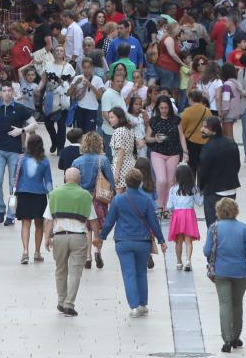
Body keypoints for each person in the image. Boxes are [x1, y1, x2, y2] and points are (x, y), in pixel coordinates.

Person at [98, 168, 167, 317]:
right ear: (140, 182)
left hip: (123, 241)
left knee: (129, 273)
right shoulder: (147, 200)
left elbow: (109, 222)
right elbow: (154, 222)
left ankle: (134, 306)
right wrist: (161, 240)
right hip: (143, 241)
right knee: (141, 272)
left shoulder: (118, 200)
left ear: (126, 182)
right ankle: (143, 304)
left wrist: (101, 237)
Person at [44, 167, 100, 317]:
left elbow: (48, 220)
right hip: (78, 237)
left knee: (60, 270)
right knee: (75, 272)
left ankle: (61, 302)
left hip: (59, 237)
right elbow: (93, 220)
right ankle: (69, 304)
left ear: (65, 178)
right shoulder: (86, 196)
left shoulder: (54, 194)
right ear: (79, 180)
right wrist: (97, 237)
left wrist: (46, 238)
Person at [0, 82, 38, 226]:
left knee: (14, 184)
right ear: (0, 93)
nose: (6, 93)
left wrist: (22, 130)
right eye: (4, 90)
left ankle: (11, 214)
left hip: (15, 151)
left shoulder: (20, 108)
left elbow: (34, 124)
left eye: (9, 90)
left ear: (13, 93)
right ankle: (1, 208)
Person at [204, 197, 246, 353]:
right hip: (241, 271)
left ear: (218, 211)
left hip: (221, 272)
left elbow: (207, 251)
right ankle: (235, 336)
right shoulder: (243, 228)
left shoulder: (214, 228)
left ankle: (226, 339)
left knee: (224, 304)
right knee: (237, 303)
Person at [72, 131, 115, 269]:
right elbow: (111, 180)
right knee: (98, 228)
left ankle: (88, 256)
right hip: (99, 199)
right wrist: (113, 194)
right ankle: (97, 251)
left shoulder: (77, 161)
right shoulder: (103, 160)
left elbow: (72, 181)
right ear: (98, 144)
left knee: (86, 228)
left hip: (83, 199)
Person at [146, 94, 188, 216]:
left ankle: (168, 207)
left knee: (170, 181)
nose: (164, 110)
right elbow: (147, 138)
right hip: (157, 152)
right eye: (161, 108)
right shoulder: (153, 121)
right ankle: (159, 206)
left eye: (166, 108)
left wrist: (185, 151)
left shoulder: (176, 120)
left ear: (169, 107)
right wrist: (155, 139)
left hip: (173, 153)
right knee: (161, 180)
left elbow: (181, 136)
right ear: (158, 108)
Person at [15, 134, 53, 265]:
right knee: (39, 225)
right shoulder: (45, 161)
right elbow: (48, 181)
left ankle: (25, 251)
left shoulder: (21, 159)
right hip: (39, 194)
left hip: (24, 192)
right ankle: (37, 252)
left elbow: (16, 177)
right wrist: (51, 195)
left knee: (25, 224)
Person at [198, 116, 241, 228]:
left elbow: (202, 171)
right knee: (229, 224)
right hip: (231, 190)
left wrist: (201, 187)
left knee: (213, 227)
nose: (201, 129)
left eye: (205, 127)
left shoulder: (208, 147)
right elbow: (237, 165)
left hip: (213, 192)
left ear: (213, 130)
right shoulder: (232, 143)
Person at [38, 45, 75, 155]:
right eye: (57, 50)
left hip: (63, 97)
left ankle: (60, 148)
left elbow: (72, 83)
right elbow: (43, 81)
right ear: (53, 53)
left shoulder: (69, 67)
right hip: (49, 96)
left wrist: (72, 92)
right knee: (48, 123)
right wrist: (38, 89)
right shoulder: (48, 65)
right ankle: (54, 141)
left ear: (64, 53)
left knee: (61, 124)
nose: (59, 52)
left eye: (61, 50)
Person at [167, 163, 202, 271]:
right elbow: (199, 202)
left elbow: (169, 206)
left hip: (177, 216)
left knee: (178, 241)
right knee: (188, 241)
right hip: (189, 215)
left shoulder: (173, 189)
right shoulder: (193, 188)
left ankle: (178, 262)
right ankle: (188, 260)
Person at [68, 57, 104, 133]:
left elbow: (100, 97)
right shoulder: (77, 78)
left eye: (88, 67)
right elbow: (68, 93)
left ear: (92, 67)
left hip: (92, 110)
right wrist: (75, 84)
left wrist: (90, 85)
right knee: (79, 133)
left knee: (90, 134)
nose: (86, 69)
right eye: (84, 67)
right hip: (79, 109)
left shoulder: (98, 79)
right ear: (82, 68)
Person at [179, 90, 210, 180]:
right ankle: (201, 190)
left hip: (190, 143)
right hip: (204, 142)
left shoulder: (187, 112)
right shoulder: (207, 111)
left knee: (191, 170)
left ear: (190, 99)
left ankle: (191, 191)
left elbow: (181, 130)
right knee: (202, 170)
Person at [101, 65, 128, 160]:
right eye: (117, 81)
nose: (120, 83)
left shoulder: (119, 94)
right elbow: (105, 114)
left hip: (119, 133)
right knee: (111, 160)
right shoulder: (108, 94)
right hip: (110, 133)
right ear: (111, 82)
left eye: (122, 81)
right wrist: (116, 128)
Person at [109, 107, 137, 193]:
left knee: (119, 197)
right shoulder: (128, 130)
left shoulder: (118, 131)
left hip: (121, 167)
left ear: (119, 118)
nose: (110, 120)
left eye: (112, 117)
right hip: (131, 165)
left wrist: (117, 172)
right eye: (109, 117)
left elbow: (121, 152)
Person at [155, 21, 185, 94]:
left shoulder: (172, 38)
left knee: (172, 89)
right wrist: (181, 63)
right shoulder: (169, 38)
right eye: (178, 28)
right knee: (166, 89)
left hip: (171, 68)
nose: (179, 29)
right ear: (173, 29)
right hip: (167, 67)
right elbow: (172, 53)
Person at [220, 62, 241, 140]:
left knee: (228, 137)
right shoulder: (236, 83)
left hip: (227, 114)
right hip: (234, 112)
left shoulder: (226, 85)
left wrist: (222, 113)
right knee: (230, 135)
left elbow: (226, 101)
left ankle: (232, 151)